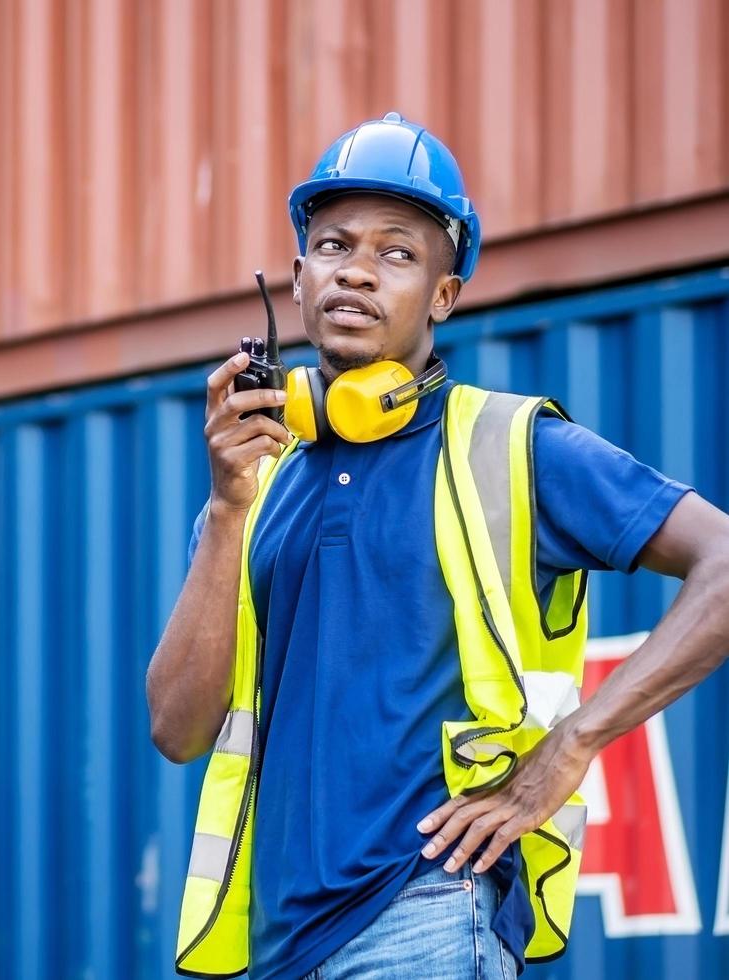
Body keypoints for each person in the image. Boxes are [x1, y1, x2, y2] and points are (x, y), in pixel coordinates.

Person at [145, 112, 729, 980]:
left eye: (398, 253)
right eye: (336, 244)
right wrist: (227, 510)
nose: (358, 271)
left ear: (444, 296)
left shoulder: (511, 445)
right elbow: (177, 730)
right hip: (274, 951)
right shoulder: (253, 484)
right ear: (298, 278)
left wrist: (571, 745)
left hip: (425, 920)